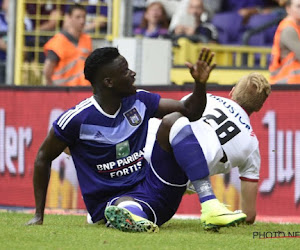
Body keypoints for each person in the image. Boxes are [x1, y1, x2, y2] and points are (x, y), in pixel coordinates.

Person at [26, 46, 246, 233]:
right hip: (113, 200)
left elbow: (191, 111)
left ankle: (210, 205)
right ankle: (128, 218)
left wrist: (199, 84)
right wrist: (38, 214)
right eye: (125, 71)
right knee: (123, 208)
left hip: (156, 186)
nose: (132, 73)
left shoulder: (139, 100)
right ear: (109, 81)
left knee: (175, 120)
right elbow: (43, 157)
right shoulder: (76, 119)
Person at [145, 72, 271, 224]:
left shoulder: (205, 99)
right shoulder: (251, 144)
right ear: (259, 108)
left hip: (144, 145)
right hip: (171, 175)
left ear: (232, 91)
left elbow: (172, 121)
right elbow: (249, 215)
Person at [43, 4, 92, 86]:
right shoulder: (57, 41)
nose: (82, 21)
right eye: (78, 17)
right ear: (68, 17)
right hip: (63, 92)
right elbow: (47, 70)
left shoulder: (87, 39)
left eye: (84, 17)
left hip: (83, 91)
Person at [269, 0, 300, 84]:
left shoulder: (297, 26)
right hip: (285, 81)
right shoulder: (288, 29)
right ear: (288, 9)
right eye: (298, 6)